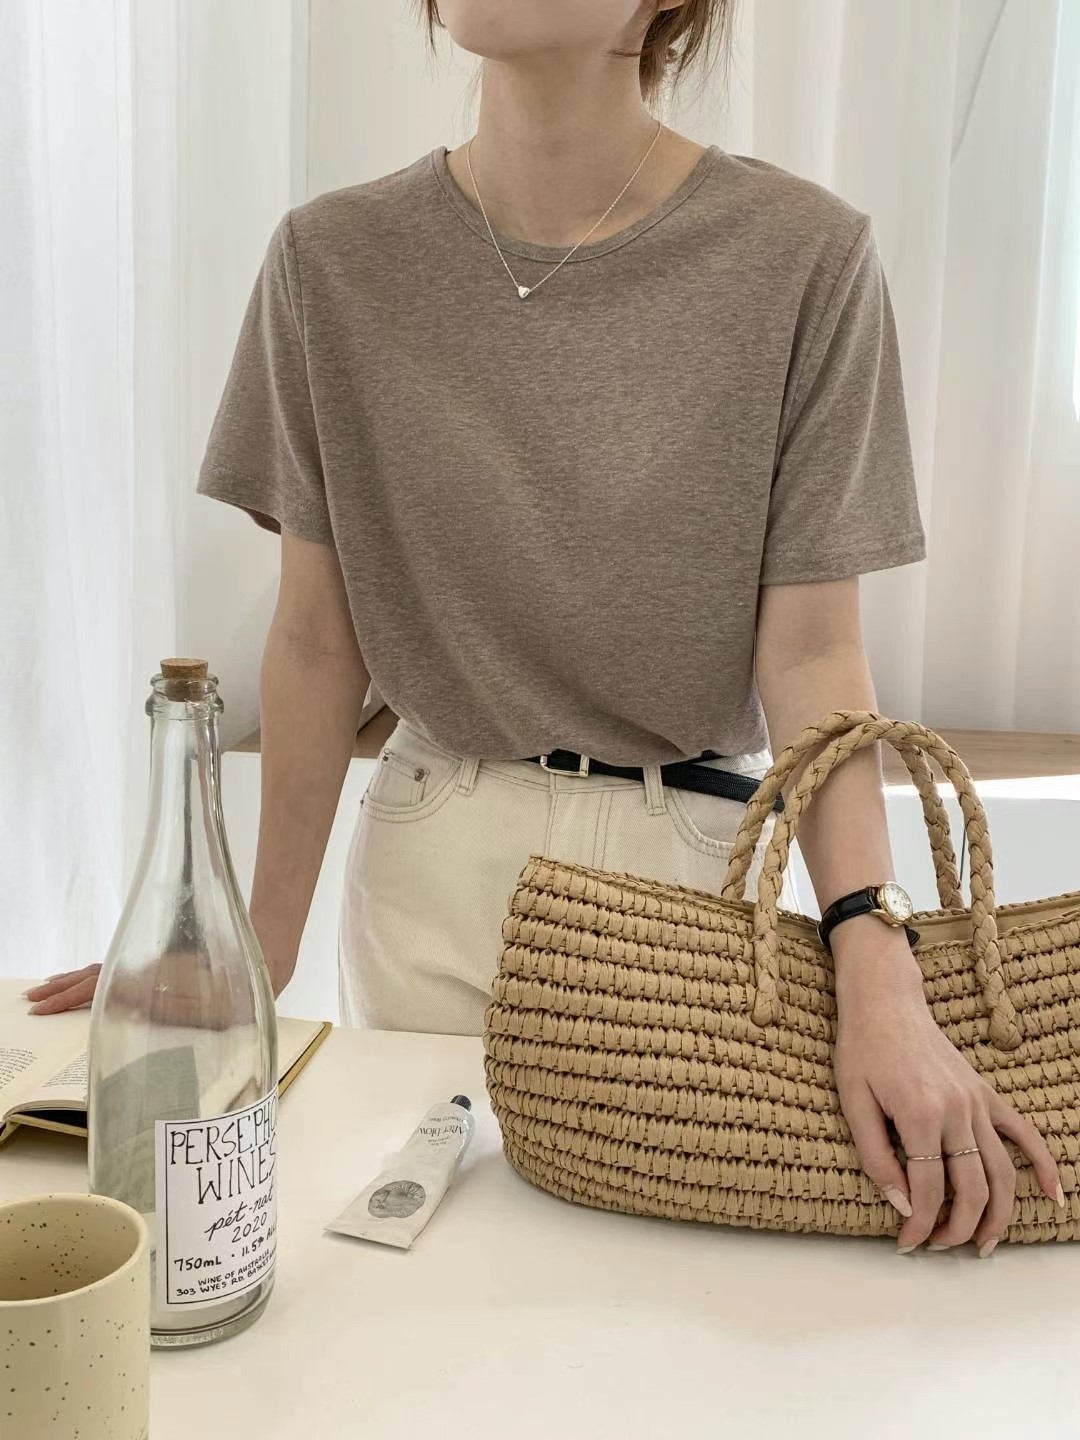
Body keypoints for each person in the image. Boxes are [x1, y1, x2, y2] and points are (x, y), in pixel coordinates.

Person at [29, 0, 1061, 1256]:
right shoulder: (331, 261)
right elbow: (315, 640)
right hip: (429, 856)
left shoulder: (802, 257)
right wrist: (257, 947)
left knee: (651, 1300)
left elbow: (813, 658)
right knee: (413, 1287)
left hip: (681, 880)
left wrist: (874, 954)